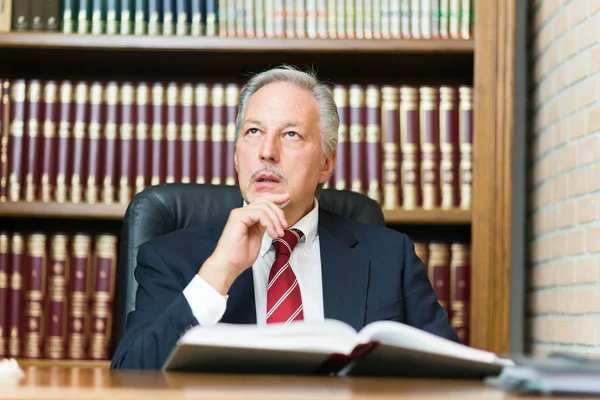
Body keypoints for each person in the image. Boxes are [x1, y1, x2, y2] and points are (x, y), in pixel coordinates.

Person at [110, 66, 459, 370]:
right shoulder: (171, 257)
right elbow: (130, 376)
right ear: (235, 157)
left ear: (326, 163)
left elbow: (453, 374)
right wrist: (219, 273)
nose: (267, 151)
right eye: (253, 132)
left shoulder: (389, 256)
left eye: (290, 134)